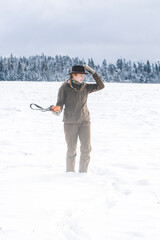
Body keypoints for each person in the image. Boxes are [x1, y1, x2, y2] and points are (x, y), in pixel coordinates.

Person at [51, 64, 105, 173]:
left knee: (86, 149)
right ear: (73, 75)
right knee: (71, 149)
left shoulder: (86, 87)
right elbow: (60, 103)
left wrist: (93, 73)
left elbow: (101, 86)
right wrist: (57, 110)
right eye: (80, 75)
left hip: (85, 121)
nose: (83, 77)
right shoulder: (64, 88)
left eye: (83, 75)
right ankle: (70, 173)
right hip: (70, 123)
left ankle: (83, 173)